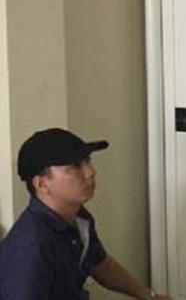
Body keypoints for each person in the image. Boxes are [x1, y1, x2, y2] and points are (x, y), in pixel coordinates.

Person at [0, 127, 172, 300]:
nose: (90, 172)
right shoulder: (30, 249)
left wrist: (149, 295)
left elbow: (101, 264)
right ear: (42, 184)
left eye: (87, 161)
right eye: (75, 167)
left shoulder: (78, 216)